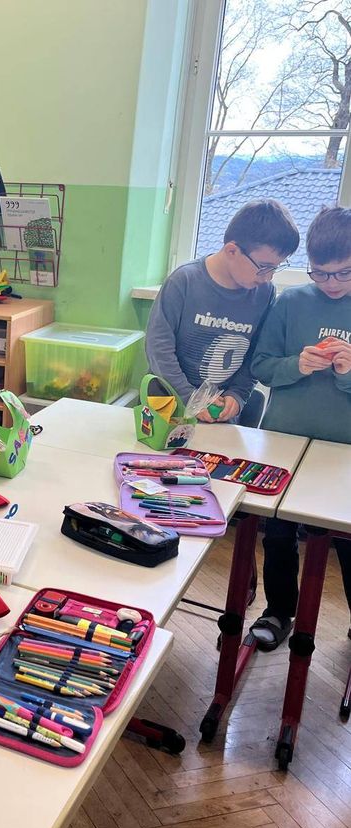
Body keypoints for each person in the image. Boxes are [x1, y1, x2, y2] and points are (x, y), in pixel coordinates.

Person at [249, 205, 351, 650]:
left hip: (343, 451)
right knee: (278, 534)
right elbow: (261, 366)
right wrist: (297, 364)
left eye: (344, 273)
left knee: (347, 542)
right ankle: (277, 612)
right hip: (285, 440)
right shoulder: (290, 302)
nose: (331, 284)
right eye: (320, 273)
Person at [145, 200, 299, 426]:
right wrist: (190, 398)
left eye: (276, 267)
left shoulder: (264, 292)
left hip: (220, 414)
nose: (268, 276)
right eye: (264, 267)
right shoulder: (185, 281)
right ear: (232, 250)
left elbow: (256, 354)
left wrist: (238, 395)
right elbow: (158, 348)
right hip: (169, 407)